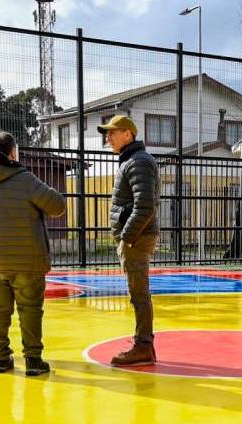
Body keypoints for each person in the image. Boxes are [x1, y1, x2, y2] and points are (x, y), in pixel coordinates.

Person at [0, 132, 66, 376]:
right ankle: (33, 360)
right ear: (12, 153)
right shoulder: (24, 179)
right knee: (30, 308)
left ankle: (1, 358)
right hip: (27, 258)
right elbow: (57, 206)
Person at [98, 115, 160, 367]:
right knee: (138, 292)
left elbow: (145, 206)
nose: (108, 137)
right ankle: (144, 344)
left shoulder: (138, 161)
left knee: (139, 293)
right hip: (136, 236)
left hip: (137, 237)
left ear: (128, 134)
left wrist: (127, 237)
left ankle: (143, 346)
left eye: (113, 132)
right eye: (107, 133)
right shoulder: (132, 160)